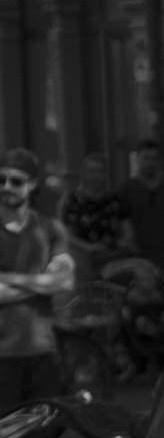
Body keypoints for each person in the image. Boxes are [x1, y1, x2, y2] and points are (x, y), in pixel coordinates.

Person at [0, 147, 76, 412]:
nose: (6, 187)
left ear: (32, 184)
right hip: (2, 355)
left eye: (16, 181)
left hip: (42, 351)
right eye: (1, 180)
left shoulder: (50, 229)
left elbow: (64, 283)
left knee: (43, 429)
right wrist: (42, 283)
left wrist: (8, 277)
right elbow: (53, 283)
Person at [57, 152, 134, 284]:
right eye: (92, 171)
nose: (96, 176)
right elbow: (66, 235)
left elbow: (128, 229)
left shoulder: (114, 199)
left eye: (100, 171)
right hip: (83, 258)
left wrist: (124, 242)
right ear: (84, 174)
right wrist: (89, 247)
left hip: (111, 256)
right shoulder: (71, 201)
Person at [119, 138, 164, 277]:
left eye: (154, 158)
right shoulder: (127, 189)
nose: (149, 163)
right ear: (137, 159)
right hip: (136, 256)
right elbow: (122, 221)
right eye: (146, 158)